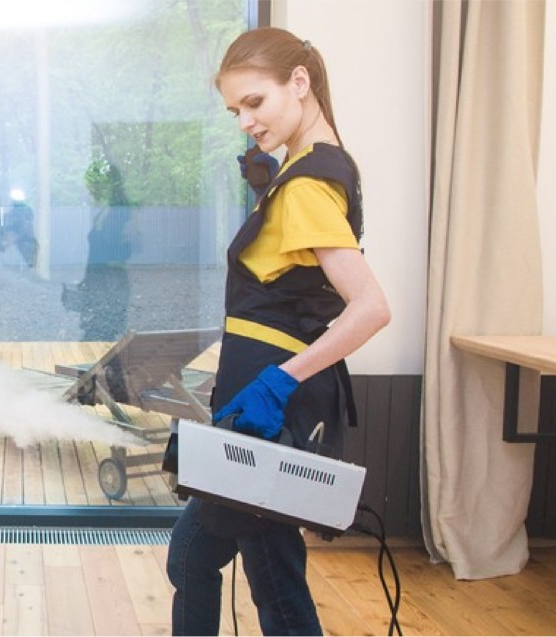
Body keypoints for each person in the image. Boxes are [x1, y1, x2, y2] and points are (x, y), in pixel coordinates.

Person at [165, 27, 391, 636]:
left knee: (196, 556)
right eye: (235, 110)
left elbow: (370, 307)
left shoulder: (308, 185)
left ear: (300, 81)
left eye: (254, 103)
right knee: (272, 571)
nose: (244, 120)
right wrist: (272, 186)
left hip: (270, 405)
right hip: (272, 400)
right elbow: (297, 286)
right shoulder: (317, 168)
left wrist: (274, 384)